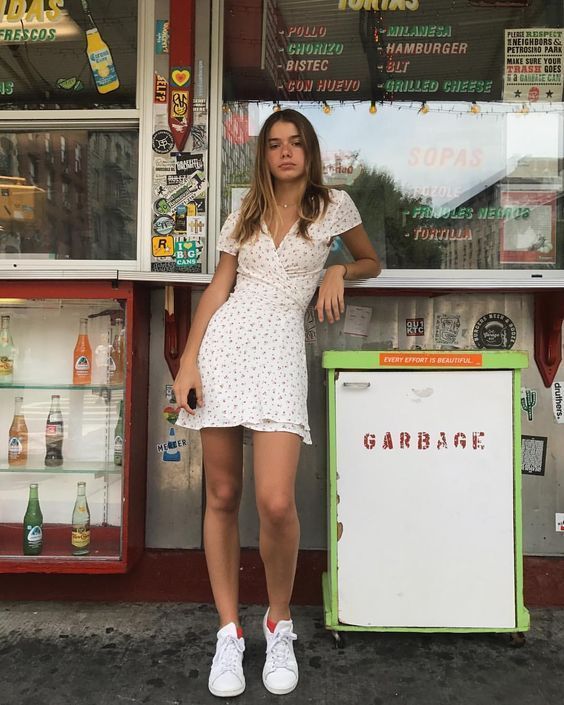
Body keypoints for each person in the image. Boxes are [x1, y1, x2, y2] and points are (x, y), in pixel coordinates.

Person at [173, 108, 381, 698]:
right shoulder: (245, 206)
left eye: (295, 144)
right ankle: (229, 633)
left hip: (282, 346)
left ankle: (279, 621)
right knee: (221, 494)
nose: (285, 153)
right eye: (274, 145)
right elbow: (219, 286)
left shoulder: (333, 205)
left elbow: (373, 259)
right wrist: (188, 359)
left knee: (275, 501)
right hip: (225, 347)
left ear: (309, 152)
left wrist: (340, 269)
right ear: (263, 154)